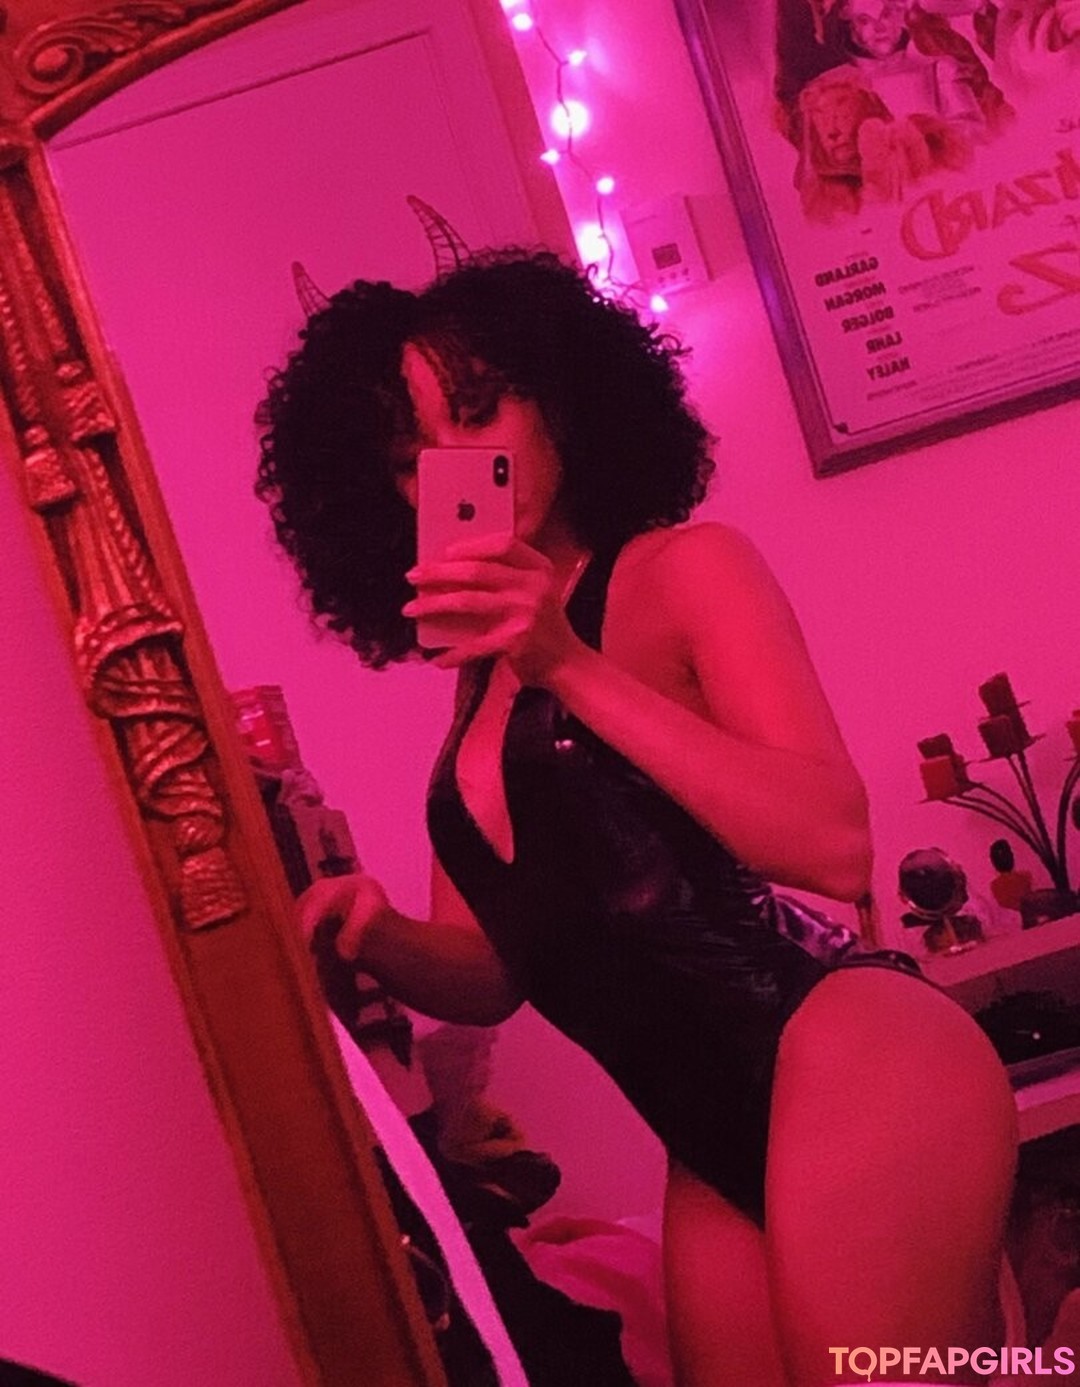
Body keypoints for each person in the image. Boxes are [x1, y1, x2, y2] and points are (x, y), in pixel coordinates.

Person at [256, 250, 1018, 1387]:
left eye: (480, 410)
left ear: (561, 400)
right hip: (705, 1136)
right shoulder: (476, 681)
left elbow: (831, 839)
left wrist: (566, 661)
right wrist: (375, 932)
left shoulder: (684, 570)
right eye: (415, 456)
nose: (458, 465)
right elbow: (492, 969)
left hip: (857, 1058)